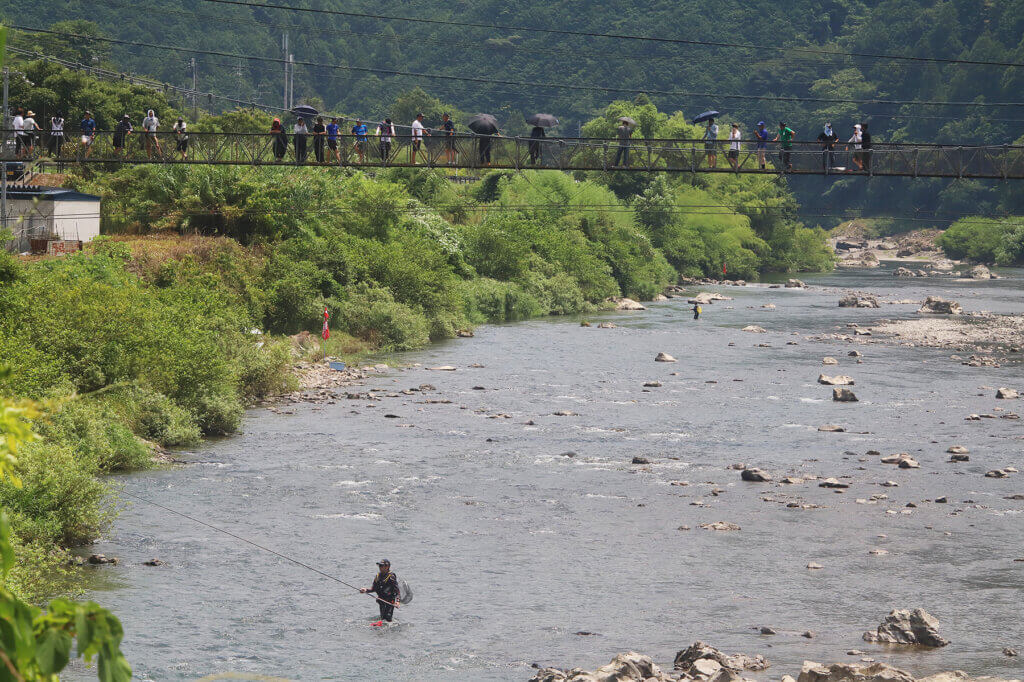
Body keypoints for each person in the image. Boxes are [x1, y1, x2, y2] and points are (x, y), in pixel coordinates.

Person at [359, 559, 401, 626]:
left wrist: (398, 601)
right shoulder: (378, 576)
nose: (380, 567)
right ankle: (379, 627)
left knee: (387, 619)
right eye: (379, 566)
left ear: (387, 567)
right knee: (382, 618)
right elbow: (373, 589)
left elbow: (397, 590)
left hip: (390, 601)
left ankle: (385, 629)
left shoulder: (391, 577)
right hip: (381, 600)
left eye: (381, 566)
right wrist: (365, 590)